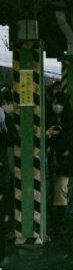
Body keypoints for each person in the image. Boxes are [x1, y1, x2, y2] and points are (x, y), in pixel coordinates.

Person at [45, 91, 73, 239]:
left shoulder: (70, 123)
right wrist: (47, 134)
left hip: (63, 164)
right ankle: (55, 226)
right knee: (49, 194)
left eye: (60, 104)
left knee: (60, 193)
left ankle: (59, 227)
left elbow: (72, 143)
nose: (56, 106)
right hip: (49, 162)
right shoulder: (46, 119)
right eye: (55, 103)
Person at [0, 87, 17, 244]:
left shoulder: (5, 117)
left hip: (4, 166)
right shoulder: (6, 118)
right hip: (4, 165)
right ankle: (7, 230)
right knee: (6, 200)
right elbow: (13, 138)